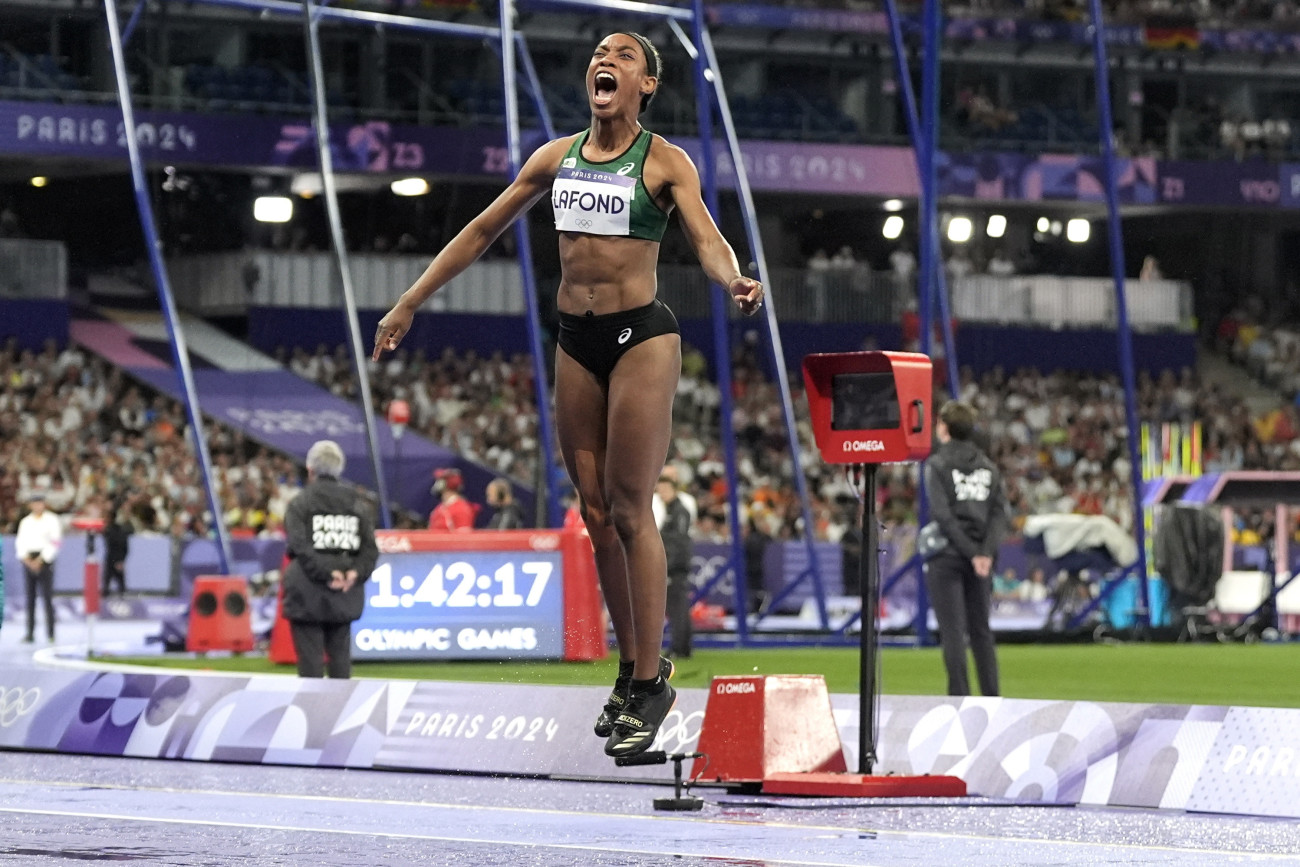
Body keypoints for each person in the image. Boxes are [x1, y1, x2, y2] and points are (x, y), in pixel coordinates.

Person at [372, 31, 762, 758]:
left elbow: (707, 238)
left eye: (623, 56)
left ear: (647, 84)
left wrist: (732, 278)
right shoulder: (556, 158)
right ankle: (628, 668)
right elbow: (483, 228)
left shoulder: (665, 162)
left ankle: (652, 680)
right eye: (598, 54)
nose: (603, 61)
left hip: (641, 336)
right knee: (592, 514)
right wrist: (410, 300)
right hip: (574, 340)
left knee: (628, 504)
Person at [923, 401, 1009, 697]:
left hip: (948, 556)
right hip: (982, 560)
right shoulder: (989, 467)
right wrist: (984, 552)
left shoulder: (937, 465)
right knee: (981, 632)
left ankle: (959, 700)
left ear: (944, 428)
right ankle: (992, 698)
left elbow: (943, 515)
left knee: (953, 633)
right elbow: (1000, 514)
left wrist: (971, 552)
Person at [282, 440, 379, 679]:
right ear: (340, 468)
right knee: (340, 662)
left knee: (310, 665)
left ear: (310, 468)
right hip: (344, 593)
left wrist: (326, 572)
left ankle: (310, 714)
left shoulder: (300, 502)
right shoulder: (357, 503)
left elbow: (299, 545)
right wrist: (354, 573)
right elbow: (370, 549)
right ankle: (342, 713)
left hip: (307, 590)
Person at [655, 472, 694, 659]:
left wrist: (668, 566)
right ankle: (682, 647)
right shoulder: (672, 511)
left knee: (676, 607)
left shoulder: (679, 512)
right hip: (675, 564)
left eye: (663, 489)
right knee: (679, 607)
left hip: (675, 566)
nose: (661, 494)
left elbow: (679, 541)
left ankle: (679, 647)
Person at [15, 491, 61, 643]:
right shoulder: (25, 522)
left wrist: (41, 560)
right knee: (30, 598)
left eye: (40, 502)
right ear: (30, 505)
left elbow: (56, 542)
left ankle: (51, 633)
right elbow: (20, 542)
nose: (37, 505)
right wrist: (27, 560)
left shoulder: (52, 520)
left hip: (45, 561)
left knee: (47, 598)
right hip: (29, 560)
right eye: (34, 503)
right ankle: (30, 632)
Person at [102, 500, 132, 598]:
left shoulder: (117, 531)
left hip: (116, 559)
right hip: (110, 558)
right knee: (106, 583)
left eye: (106, 517)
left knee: (120, 582)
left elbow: (124, 546)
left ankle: (123, 603)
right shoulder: (107, 530)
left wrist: (121, 560)